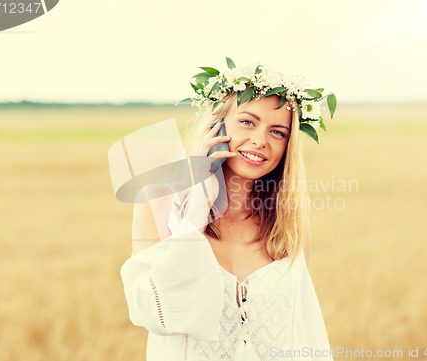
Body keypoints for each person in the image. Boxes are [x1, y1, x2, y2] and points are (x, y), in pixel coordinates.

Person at [119, 58, 336, 360]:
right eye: (247, 122)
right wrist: (199, 202)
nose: (260, 141)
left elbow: (301, 329)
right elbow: (155, 311)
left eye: (278, 132)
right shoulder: (156, 201)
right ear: (216, 126)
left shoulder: (289, 222)